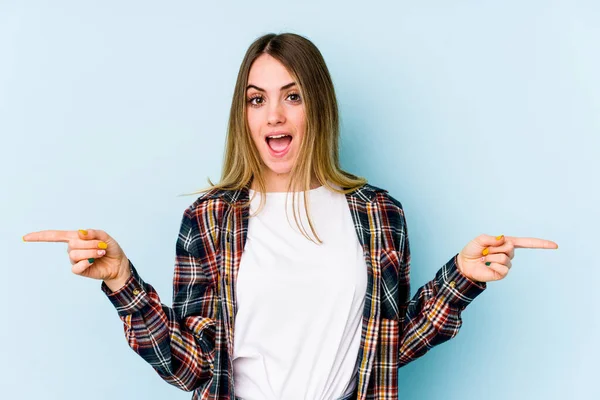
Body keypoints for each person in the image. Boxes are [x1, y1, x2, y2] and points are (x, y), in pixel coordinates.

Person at [23, 33, 558, 400]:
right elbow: (193, 368)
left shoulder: (377, 214)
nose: (274, 114)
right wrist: (121, 281)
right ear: (245, 113)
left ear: (316, 106)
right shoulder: (210, 219)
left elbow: (387, 345)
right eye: (257, 99)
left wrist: (462, 278)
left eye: (292, 96)